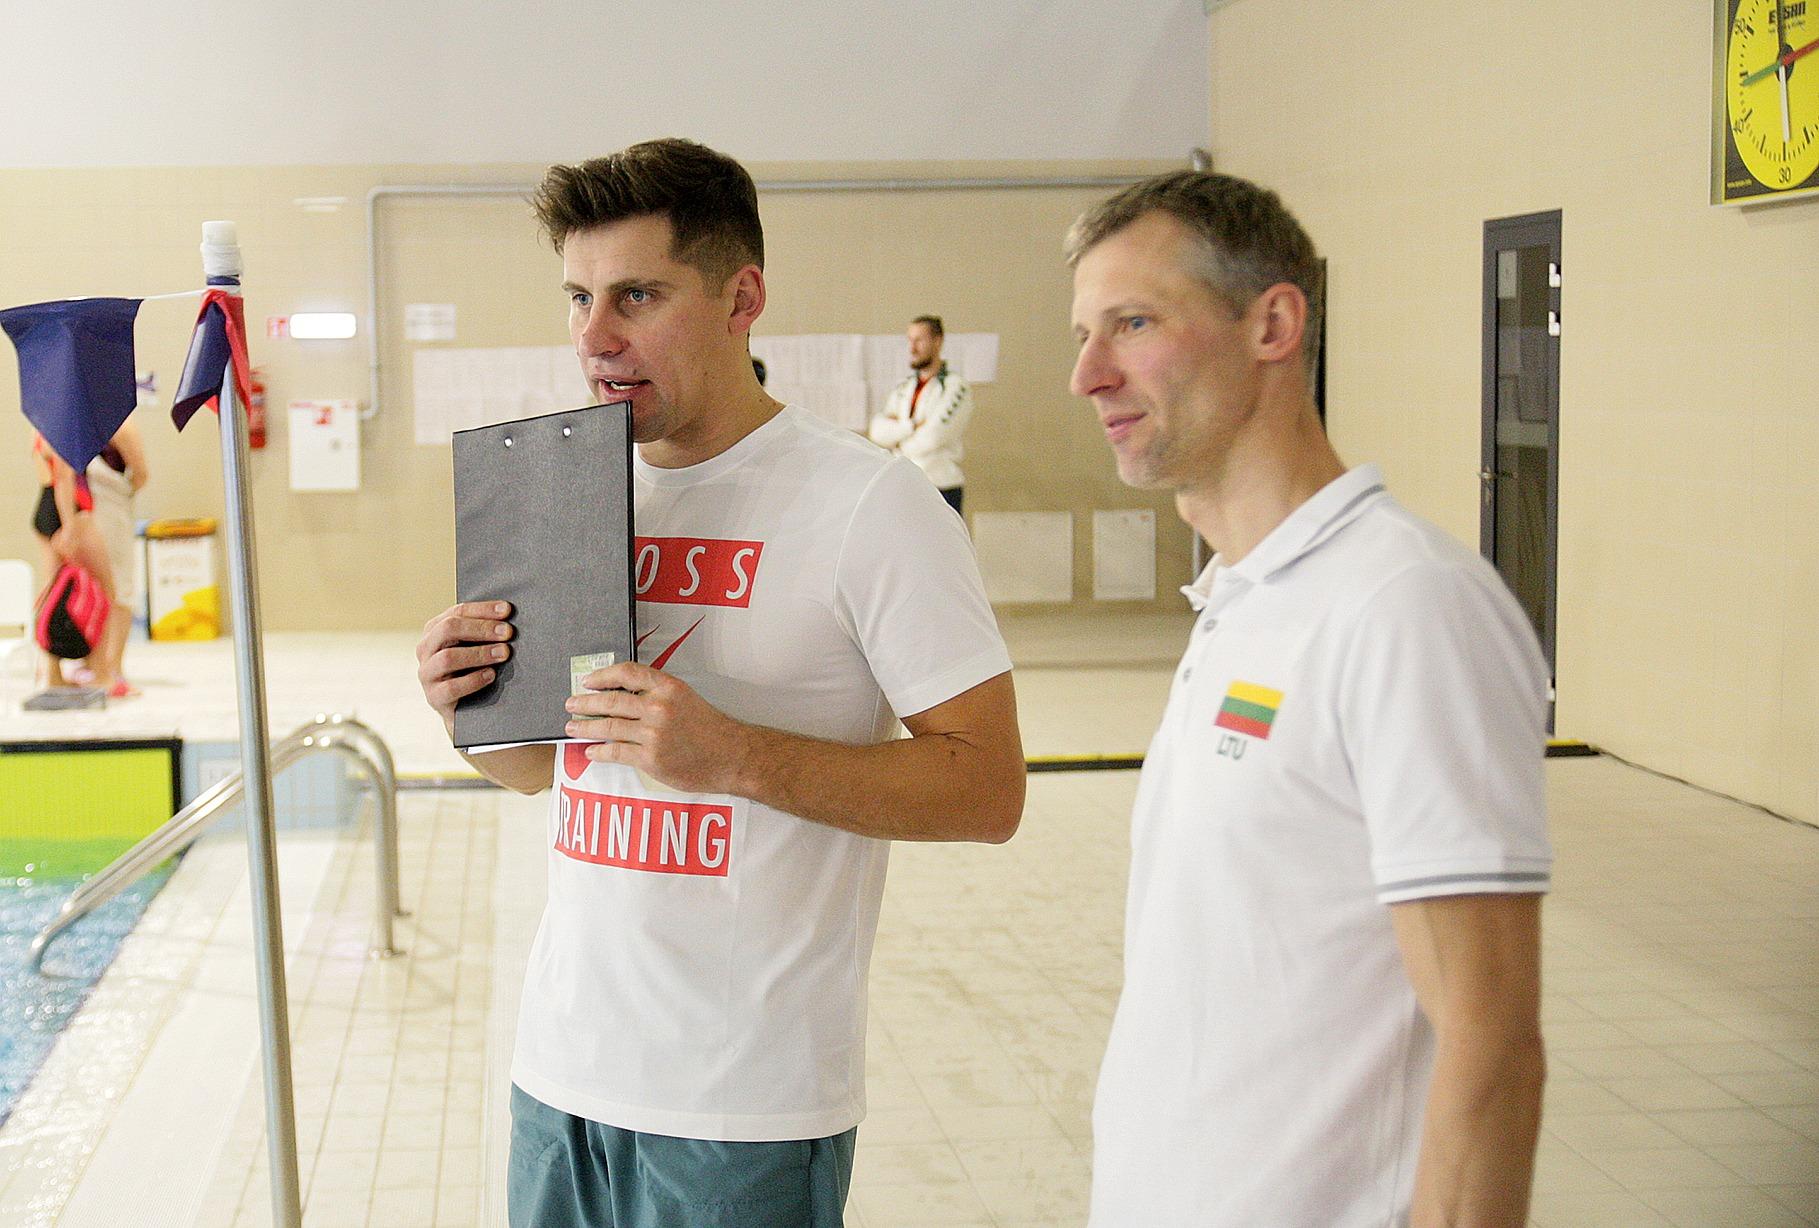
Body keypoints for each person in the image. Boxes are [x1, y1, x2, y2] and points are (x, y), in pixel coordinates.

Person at [415, 139, 1024, 1228]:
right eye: (578, 298)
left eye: (637, 296)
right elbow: (543, 771)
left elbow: (987, 790)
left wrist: (734, 755)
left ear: (742, 299)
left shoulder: (869, 506)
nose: (594, 337)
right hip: (560, 1072)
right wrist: (466, 702)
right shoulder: (569, 490)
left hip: (743, 1103)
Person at [1067, 171, 1550, 1227]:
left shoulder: (1402, 606)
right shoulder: (1243, 601)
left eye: (1132, 324)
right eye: (1084, 334)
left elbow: (1490, 1046)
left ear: (1272, 325)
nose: (1087, 374)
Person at [29, 422, 146, 695]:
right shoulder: (63, 426)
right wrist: (70, 526)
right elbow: (64, 476)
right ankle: (101, 673)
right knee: (106, 591)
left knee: (52, 595)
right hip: (71, 510)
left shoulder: (39, 425)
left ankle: (52, 675)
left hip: (47, 506)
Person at [866, 314, 972, 514]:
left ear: (937, 341)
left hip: (940, 487)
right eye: (910, 340)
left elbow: (933, 437)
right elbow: (877, 431)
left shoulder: (955, 387)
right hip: (905, 485)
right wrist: (912, 426)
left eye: (919, 340)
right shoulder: (904, 388)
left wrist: (898, 444)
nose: (912, 348)